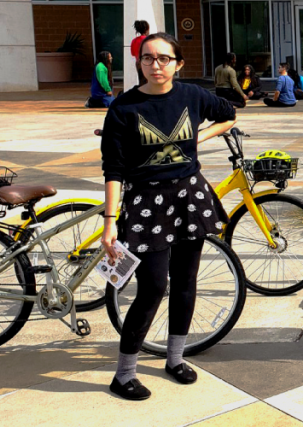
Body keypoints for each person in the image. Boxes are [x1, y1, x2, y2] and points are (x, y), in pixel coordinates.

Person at [100, 32, 236, 401]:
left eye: (163, 58)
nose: (155, 65)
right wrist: (110, 222)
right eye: (148, 58)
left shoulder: (192, 95)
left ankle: (174, 359)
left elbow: (228, 114)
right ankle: (123, 374)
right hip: (146, 202)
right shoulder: (123, 108)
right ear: (139, 63)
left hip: (189, 195)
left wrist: (198, 139)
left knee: (186, 280)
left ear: (178, 63)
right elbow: (113, 169)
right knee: (154, 286)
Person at [130, 21, 150, 87]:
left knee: (142, 82)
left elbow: (133, 53)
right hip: (148, 62)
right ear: (147, 29)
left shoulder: (134, 40)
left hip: (138, 63)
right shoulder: (149, 40)